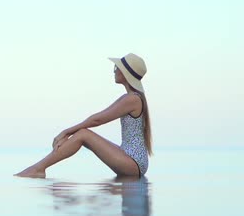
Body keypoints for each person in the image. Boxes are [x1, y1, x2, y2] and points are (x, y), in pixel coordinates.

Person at [13, 53, 153, 178]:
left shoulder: (132, 99)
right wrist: (69, 133)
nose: (114, 70)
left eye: (117, 68)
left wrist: (66, 132)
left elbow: (98, 120)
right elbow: (99, 116)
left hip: (134, 163)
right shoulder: (130, 98)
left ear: (125, 73)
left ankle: (38, 169)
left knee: (84, 134)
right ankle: (38, 168)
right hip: (130, 158)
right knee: (83, 134)